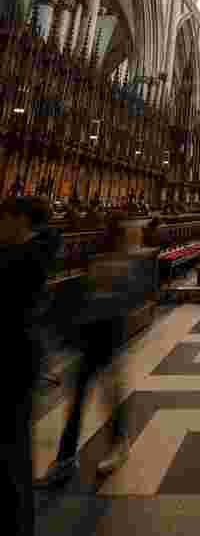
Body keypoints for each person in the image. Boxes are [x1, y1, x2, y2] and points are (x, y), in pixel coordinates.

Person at [37, 219, 141, 486]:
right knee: (79, 402)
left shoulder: (123, 264)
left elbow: (124, 300)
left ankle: (116, 444)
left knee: (107, 397)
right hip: (89, 339)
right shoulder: (100, 260)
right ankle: (65, 460)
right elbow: (89, 297)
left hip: (107, 339)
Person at [0, 197, 61, 536]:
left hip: (14, 360)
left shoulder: (22, 259)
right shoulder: (30, 252)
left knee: (12, 450)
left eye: (4, 218)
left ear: (20, 220)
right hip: (20, 358)